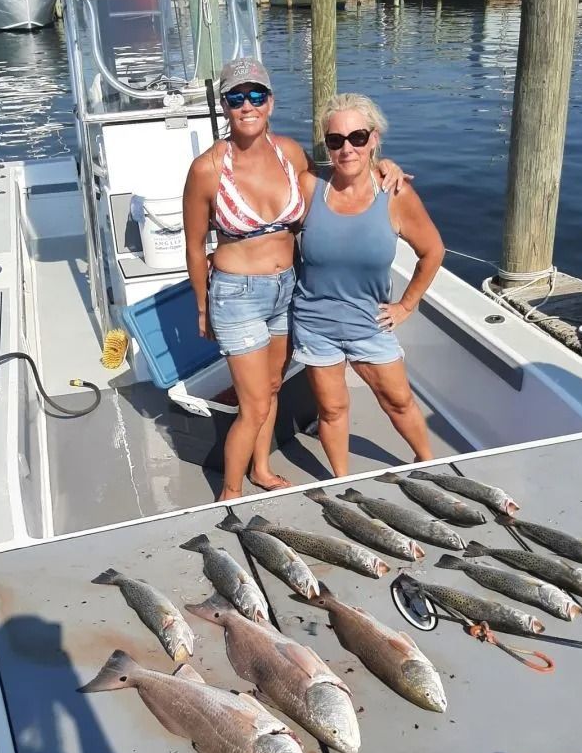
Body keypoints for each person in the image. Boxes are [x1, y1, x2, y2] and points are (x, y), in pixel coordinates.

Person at [183, 59, 406, 501]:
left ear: (271, 101)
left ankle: (262, 470)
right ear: (224, 107)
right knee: (253, 405)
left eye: (256, 95)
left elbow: (340, 175)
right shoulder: (206, 169)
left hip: (288, 290)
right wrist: (203, 306)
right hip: (237, 295)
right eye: (235, 98)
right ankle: (230, 492)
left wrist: (385, 165)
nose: (247, 105)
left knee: (271, 388)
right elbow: (194, 246)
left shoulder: (289, 153)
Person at [292, 93, 444, 477]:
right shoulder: (309, 187)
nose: (347, 149)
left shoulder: (395, 193)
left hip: (370, 323)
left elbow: (433, 251)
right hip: (315, 324)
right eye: (335, 140)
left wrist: (406, 306)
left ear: (374, 139)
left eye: (357, 137)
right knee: (331, 409)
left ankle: (429, 462)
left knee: (398, 401)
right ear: (326, 145)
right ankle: (342, 483)